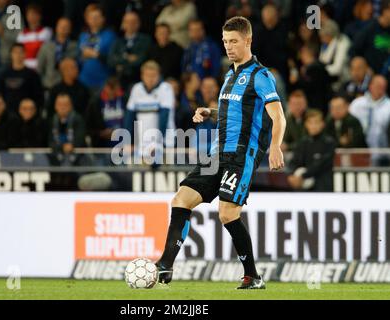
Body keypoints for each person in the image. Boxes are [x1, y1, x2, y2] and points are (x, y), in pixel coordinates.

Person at [155, 16, 286, 290]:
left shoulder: (260, 76)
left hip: (241, 154)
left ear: (248, 40)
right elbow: (234, 112)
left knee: (227, 214)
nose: (228, 46)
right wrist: (210, 111)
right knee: (181, 200)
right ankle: (165, 264)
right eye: (225, 41)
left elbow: (278, 116)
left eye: (234, 41)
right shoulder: (230, 74)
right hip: (217, 154)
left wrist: (275, 146)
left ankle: (252, 276)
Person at [124, 60, 175, 158]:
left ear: (159, 75)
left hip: (164, 143)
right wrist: (127, 141)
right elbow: (129, 117)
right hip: (142, 144)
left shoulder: (166, 89)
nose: (150, 79)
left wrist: (158, 143)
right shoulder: (136, 89)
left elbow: (164, 117)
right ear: (142, 76)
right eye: (148, 75)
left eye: (153, 75)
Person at [288, 109, 336, 192]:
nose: (313, 125)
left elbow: (321, 164)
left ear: (322, 124)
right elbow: (293, 162)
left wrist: (303, 176)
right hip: (303, 189)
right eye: (310, 122)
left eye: (316, 122)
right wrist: (292, 175)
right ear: (306, 124)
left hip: (322, 188)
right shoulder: (302, 143)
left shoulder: (329, 143)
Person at [108, 11, 152, 90]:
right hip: (119, 79)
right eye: (127, 22)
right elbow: (110, 60)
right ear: (123, 24)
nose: (130, 25)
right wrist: (127, 58)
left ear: (138, 24)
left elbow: (141, 60)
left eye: (133, 22)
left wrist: (120, 62)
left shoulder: (145, 40)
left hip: (138, 79)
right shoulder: (118, 41)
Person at [78, 4, 116, 91]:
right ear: (87, 19)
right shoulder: (83, 36)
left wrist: (95, 54)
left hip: (103, 82)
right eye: (91, 17)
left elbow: (113, 59)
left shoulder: (110, 36)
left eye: (97, 17)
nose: (94, 20)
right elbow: (78, 58)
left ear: (103, 19)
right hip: (83, 81)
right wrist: (82, 56)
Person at [0, 43, 44, 114]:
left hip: (27, 114)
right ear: (11, 54)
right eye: (15, 52)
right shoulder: (4, 74)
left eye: (21, 52)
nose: (18, 55)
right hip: (8, 115)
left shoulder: (32, 75)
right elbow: (1, 94)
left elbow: (39, 97)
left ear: (25, 54)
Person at [349, 75, 390, 152]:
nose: (380, 88)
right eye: (377, 85)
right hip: (357, 148)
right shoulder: (357, 103)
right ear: (370, 86)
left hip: (382, 149)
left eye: (382, 86)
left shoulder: (389, 106)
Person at [37, 17, 78, 91]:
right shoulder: (46, 46)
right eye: (61, 26)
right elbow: (40, 68)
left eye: (66, 27)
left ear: (70, 29)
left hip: (68, 85)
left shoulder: (74, 46)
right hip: (50, 85)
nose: (63, 29)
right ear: (56, 27)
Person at [16, 3, 52, 70]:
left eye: (35, 14)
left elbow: (46, 53)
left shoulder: (46, 32)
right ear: (26, 16)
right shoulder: (21, 35)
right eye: (30, 14)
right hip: (24, 69)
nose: (32, 17)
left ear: (40, 16)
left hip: (40, 68)